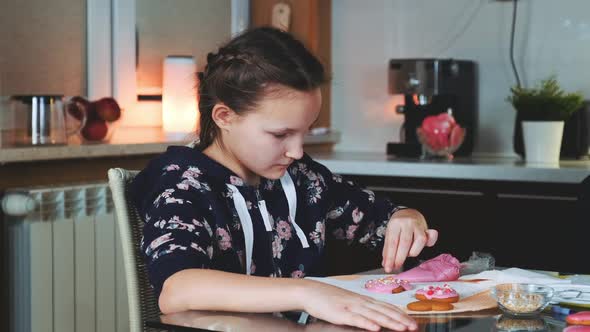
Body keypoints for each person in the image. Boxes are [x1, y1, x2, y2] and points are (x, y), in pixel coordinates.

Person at [131, 26, 438, 332]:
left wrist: (405, 219)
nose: (296, 150)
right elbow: (178, 289)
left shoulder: (303, 178)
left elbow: (379, 219)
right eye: (281, 134)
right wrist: (307, 293)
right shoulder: (182, 184)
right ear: (224, 117)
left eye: (304, 131)